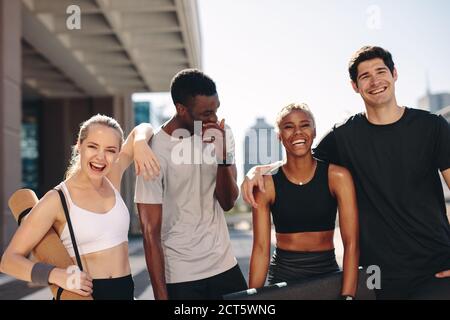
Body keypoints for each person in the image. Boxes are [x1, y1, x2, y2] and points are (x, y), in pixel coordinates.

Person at [242, 46, 450, 299]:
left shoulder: (432, 127)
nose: (375, 81)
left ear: (394, 74)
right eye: (365, 76)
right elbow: (301, 154)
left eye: (381, 71)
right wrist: (257, 170)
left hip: (436, 268)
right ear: (355, 86)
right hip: (376, 276)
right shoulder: (343, 136)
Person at [0, 114, 160, 300]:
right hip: (84, 295)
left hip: (125, 292)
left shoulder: (111, 177)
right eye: (93, 146)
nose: (101, 157)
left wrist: (140, 143)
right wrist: (56, 276)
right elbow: (8, 261)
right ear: (79, 145)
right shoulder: (58, 199)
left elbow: (143, 128)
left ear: (117, 154)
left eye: (110, 150)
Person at [135, 69, 248, 300]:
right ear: (181, 109)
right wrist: (160, 295)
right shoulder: (155, 150)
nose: (214, 119)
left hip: (223, 263)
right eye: (206, 113)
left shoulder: (223, 133)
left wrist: (222, 158)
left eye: (216, 109)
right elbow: (150, 232)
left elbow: (227, 202)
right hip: (181, 274)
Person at [248, 103, 359, 300]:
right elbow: (261, 249)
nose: (297, 132)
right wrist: (251, 300)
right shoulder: (267, 185)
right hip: (283, 276)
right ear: (279, 136)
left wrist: (348, 296)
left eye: (305, 125)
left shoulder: (338, 177)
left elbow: (351, 243)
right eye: (289, 127)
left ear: (314, 132)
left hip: (327, 273)